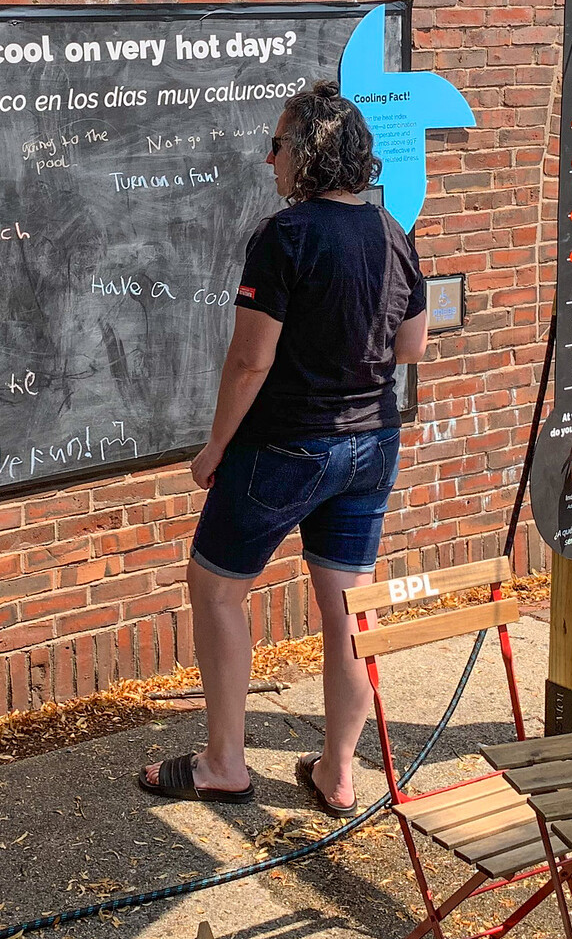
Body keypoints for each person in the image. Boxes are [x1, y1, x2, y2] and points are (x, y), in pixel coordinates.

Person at [138, 81, 428, 813]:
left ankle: (224, 764)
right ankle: (337, 770)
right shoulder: (394, 233)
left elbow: (249, 362)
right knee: (347, 612)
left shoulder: (286, 235)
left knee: (214, 588)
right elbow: (412, 345)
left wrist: (212, 451)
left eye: (276, 146)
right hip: (373, 443)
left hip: (287, 447)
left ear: (306, 155)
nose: (268, 160)